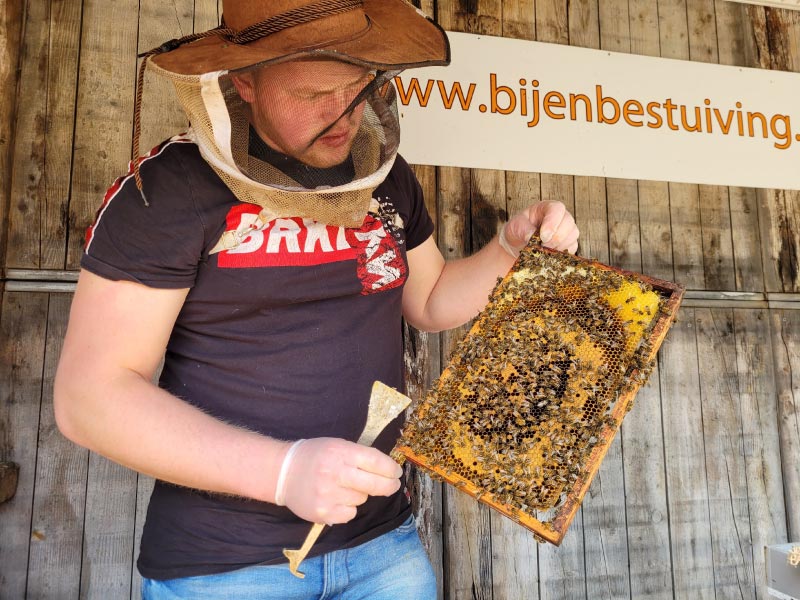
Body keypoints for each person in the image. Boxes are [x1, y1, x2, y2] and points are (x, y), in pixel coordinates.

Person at [53, 1, 580, 598]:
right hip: (227, 564)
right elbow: (89, 397)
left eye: (359, 88)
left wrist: (508, 252)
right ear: (242, 81)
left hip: (384, 544)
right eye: (312, 94)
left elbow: (430, 300)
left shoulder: (385, 178)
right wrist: (282, 472)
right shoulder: (168, 193)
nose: (343, 115)